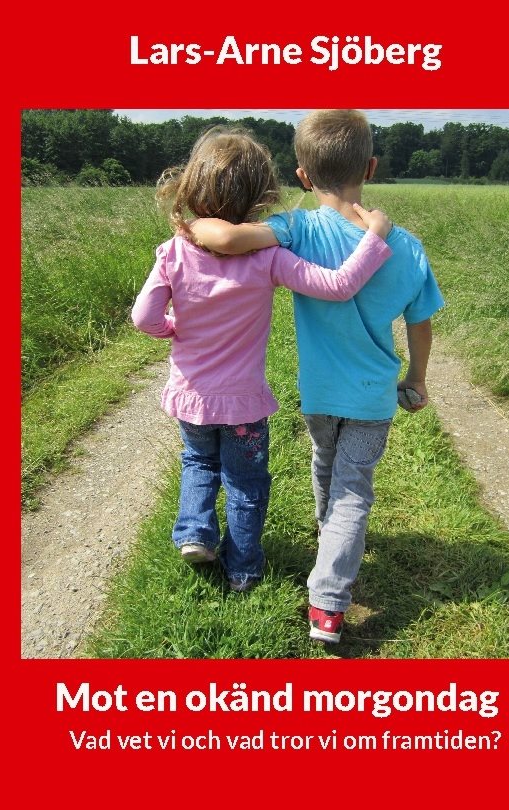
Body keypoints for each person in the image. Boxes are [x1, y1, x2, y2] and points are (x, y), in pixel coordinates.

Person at [190, 110, 444, 640]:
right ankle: (328, 600)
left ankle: (331, 545)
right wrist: (417, 378)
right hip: (372, 397)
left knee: (325, 464)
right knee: (354, 489)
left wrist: (187, 222)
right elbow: (419, 324)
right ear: (370, 168)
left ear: (303, 176)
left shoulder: (296, 228)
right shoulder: (406, 246)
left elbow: (228, 240)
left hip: (319, 393)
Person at [131, 125, 393, 594]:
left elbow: (143, 317)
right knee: (246, 483)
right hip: (244, 405)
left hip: (192, 397)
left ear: (194, 184)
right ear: (261, 195)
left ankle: (194, 532)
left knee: (198, 462)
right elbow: (338, 286)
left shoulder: (173, 252)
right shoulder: (269, 257)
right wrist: (374, 238)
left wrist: (172, 329)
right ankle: (244, 569)